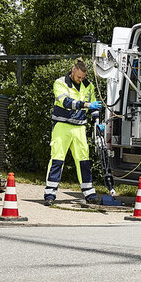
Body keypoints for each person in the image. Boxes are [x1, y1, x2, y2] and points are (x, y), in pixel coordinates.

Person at [44, 58, 103, 205]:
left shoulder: (88, 86)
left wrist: (97, 122)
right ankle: (50, 194)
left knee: (83, 160)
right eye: (78, 77)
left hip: (79, 127)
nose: (81, 80)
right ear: (72, 72)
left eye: (83, 77)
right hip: (62, 126)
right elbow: (66, 103)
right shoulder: (60, 83)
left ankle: (89, 193)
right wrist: (87, 104)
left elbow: (94, 107)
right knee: (57, 159)